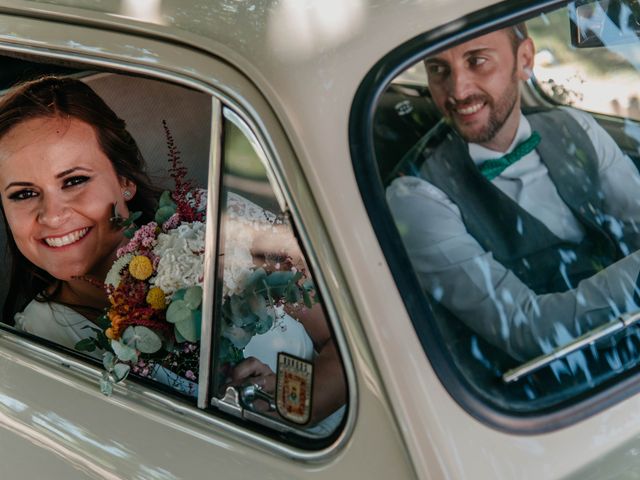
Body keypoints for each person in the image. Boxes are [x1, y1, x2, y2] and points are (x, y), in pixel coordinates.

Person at [0, 75, 345, 429]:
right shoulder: (35, 344)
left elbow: (347, 337)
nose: (53, 215)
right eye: (24, 194)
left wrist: (297, 401)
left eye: (74, 181)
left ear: (124, 180)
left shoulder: (213, 226)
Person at [386, 24, 640, 363]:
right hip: (561, 387)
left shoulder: (575, 125)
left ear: (524, 61)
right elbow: (526, 330)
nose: (457, 91)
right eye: (438, 70)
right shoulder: (415, 198)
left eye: (477, 61)